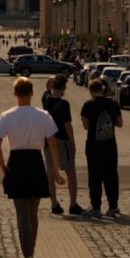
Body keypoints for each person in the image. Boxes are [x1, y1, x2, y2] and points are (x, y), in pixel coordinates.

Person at [0, 77, 65, 258]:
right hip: (35, 162)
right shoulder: (43, 116)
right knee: (33, 213)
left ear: (15, 94)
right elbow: (52, 144)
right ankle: (30, 252)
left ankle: (28, 255)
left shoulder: (6, 116)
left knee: (21, 214)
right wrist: (56, 171)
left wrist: (3, 169)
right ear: (31, 93)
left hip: (16, 162)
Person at [80, 77, 122, 219]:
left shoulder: (88, 105)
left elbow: (85, 126)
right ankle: (113, 206)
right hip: (110, 144)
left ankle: (96, 207)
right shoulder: (113, 104)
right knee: (111, 175)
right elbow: (120, 123)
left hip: (93, 145)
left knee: (95, 176)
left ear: (91, 90)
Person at [43, 74, 83, 216]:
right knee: (70, 172)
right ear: (64, 88)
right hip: (62, 140)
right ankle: (73, 203)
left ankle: (54, 204)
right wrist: (72, 143)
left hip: (48, 140)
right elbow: (68, 126)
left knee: (50, 173)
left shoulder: (46, 100)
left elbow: (48, 83)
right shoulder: (64, 104)